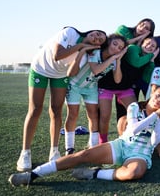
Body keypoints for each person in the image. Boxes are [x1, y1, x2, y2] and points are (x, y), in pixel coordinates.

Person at [9, 86, 160, 186]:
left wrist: (159, 119)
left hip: (140, 154)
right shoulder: (135, 106)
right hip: (122, 145)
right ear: (152, 92)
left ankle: (95, 173)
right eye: (158, 95)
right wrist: (155, 115)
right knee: (83, 154)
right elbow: (132, 130)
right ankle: (32, 175)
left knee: (134, 173)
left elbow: (155, 141)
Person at [16, 27, 107, 172]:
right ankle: (25, 153)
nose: (97, 37)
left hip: (60, 75)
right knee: (35, 109)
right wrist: (81, 46)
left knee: (56, 110)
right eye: (97, 33)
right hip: (40, 69)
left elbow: (72, 72)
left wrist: (82, 51)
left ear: (98, 46)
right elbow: (57, 55)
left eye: (100, 39)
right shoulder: (70, 32)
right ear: (90, 31)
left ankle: (54, 150)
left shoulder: (86, 55)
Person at [63, 34, 127, 155]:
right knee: (73, 114)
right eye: (115, 44)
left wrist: (118, 61)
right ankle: (69, 148)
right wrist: (113, 59)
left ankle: (93, 146)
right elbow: (96, 70)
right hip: (75, 85)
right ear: (108, 42)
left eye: (120, 48)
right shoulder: (95, 52)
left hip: (91, 87)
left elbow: (118, 79)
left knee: (93, 115)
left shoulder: (114, 60)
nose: (116, 48)